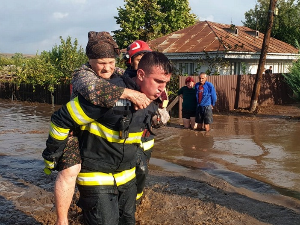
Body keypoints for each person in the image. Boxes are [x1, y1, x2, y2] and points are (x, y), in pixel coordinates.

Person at [43, 51, 173, 225]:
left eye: (165, 83)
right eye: (158, 81)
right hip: (96, 176)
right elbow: (61, 119)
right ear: (141, 75)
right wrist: (53, 154)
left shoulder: (152, 99)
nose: (162, 89)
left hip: (126, 177)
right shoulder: (107, 95)